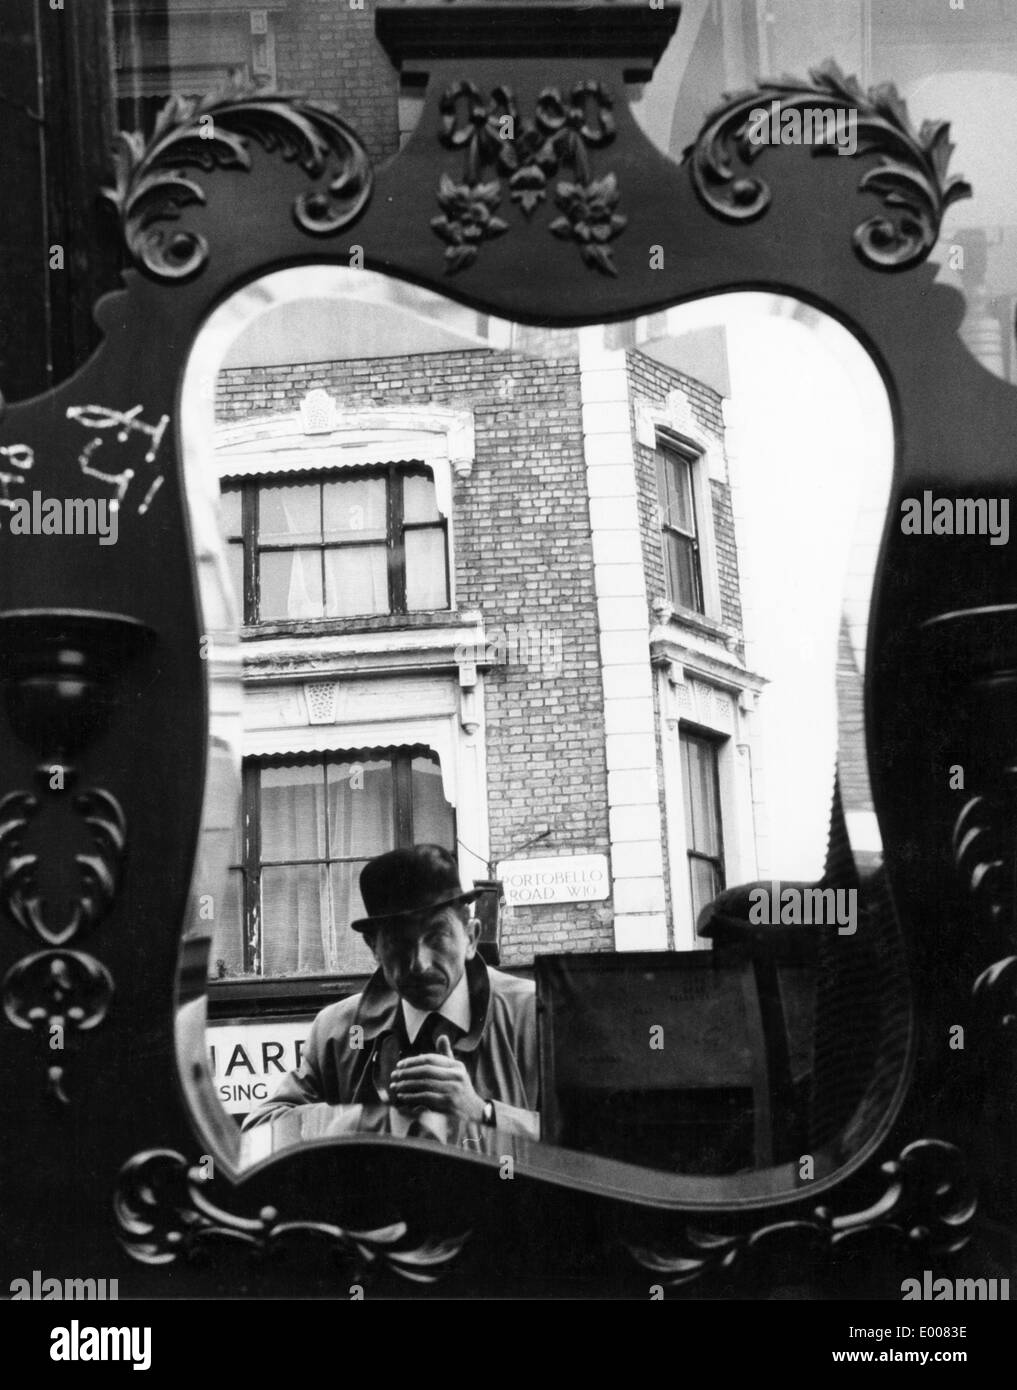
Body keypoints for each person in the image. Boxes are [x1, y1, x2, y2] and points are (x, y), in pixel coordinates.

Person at [242, 844, 540, 1140]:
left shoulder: (534, 1014)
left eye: (436, 936)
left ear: (471, 938)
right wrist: (365, 1120)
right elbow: (262, 1127)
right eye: (398, 943)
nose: (419, 964)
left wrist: (483, 1113)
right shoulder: (339, 1031)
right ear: (374, 949)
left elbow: (582, 1144)